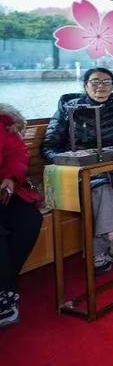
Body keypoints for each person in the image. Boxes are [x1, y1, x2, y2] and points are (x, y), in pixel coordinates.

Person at [41, 68, 113, 274]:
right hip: (74, 173)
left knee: (103, 186)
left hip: (112, 169)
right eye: (95, 82)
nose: (100, 87)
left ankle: (97, 252)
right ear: (85, 85)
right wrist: (70, 161)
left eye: (106, 82)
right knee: (101, 187)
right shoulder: (68, 111)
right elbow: (48, 147)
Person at [0, 103, 43, 327]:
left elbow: (17, 155)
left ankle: (4, 284)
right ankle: (6, 290)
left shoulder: (4, 125)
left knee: (31, 219)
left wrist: (10, 177)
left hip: (7, 190)